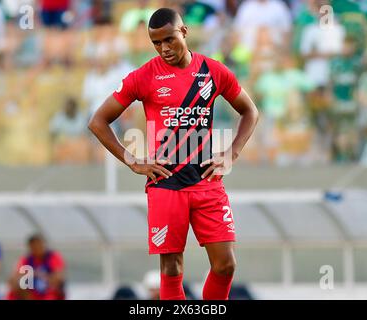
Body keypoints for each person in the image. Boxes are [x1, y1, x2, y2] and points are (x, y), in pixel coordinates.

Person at [89, 8, 259, 300]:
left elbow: (250, 111)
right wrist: (133, 162)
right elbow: (98, 121)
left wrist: (232, 152)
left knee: (226, 265)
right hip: (166, 184)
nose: (164, 49)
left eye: (169, 39)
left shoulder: (213, 71)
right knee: (170, 269)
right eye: (156, 43)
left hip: (207, 181)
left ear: (184, 32)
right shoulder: (144, 76)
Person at [6, 234, 66, 300]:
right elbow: (13, 279)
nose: (37, 247)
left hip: (49, 293)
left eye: (39, 244)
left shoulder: (53, 257)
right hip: (30, 294)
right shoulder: (26, 260)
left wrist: (40, 275)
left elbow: (58, 278)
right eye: (34, 245)